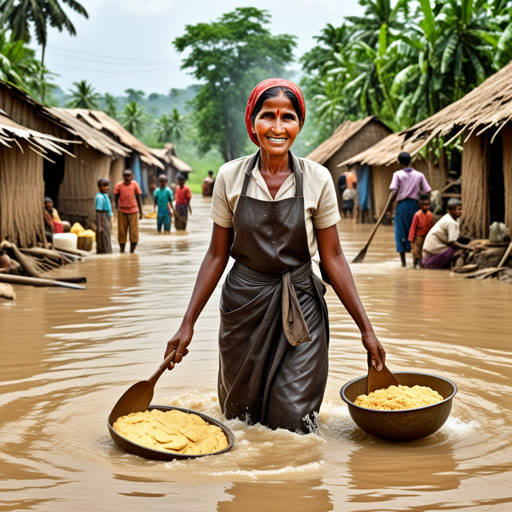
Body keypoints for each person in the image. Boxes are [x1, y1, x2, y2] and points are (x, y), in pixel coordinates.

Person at [163, 78, 386, 434]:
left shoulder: (318, 179)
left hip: (301, 305)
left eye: (288, 118)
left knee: (294, 425)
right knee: (240, 420)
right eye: (268, 116)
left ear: (299, 124)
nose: (278, 128)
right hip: (243, 306)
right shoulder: (230, 177)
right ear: (252, 122)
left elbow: (333, 258)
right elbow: (216, 256)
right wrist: (187, 323)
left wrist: (367, 330)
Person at [388, 152, 431, 267]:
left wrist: (388, 208)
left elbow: (394, 192)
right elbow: (427, 191)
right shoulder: (419, 175)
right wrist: (420, 198)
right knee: (416, 232)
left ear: (399, 162)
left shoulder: (397, 174)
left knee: (400, 233)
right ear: (410, 161)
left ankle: (403, 264)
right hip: (415, 206)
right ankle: (416, 262)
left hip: (402, 207)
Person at [422, 198, 475, 269]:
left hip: (430, 249)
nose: (461, 211)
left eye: (461, 209)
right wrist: (468, 247)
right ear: (452, 211)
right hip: (434, 251)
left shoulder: (449, 217)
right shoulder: (451, 222)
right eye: (459, 209)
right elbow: (452, 242)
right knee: (457, 250)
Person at [114, 169, 143, 253]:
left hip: (133, 211)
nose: (127, 178)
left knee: (134, 233)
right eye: (125, 176)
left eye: (128, 176)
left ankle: (132, 251)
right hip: (122, 211)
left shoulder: (135, 184)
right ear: (123, 177)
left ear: (132, 176)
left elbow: (138, 198)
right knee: (121, 232)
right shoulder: (118, 185)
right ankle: (122, 250)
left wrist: (141, 213)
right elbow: (116, 198)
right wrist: (116, 209)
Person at [408, 194, 434, 268]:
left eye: (428, 205)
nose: (426, 206)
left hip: (426, 237)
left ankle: (421, 264)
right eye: (424, 205)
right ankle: (415, 264)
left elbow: (431, 227)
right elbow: (413, 227)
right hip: (418, 237)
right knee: (416, 252)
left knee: (424, 252)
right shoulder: (417, 215)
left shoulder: (430, 215)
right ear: (420, 205)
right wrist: (411, 239)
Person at [95, 178, 113, 254]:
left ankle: (107, 251)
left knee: (107, 235)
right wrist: (100, 226)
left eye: (107, 186)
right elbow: (98, 212)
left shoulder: (104, 196)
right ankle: (104, 252)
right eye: (104, 186)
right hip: (103, 217)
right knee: (103, 236)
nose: (106, 188)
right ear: (99, 186)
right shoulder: (99, 197)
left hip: (106, 217)